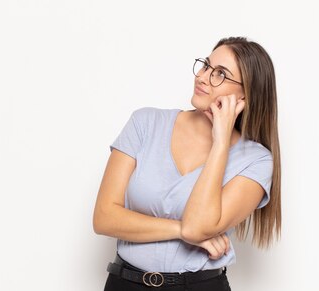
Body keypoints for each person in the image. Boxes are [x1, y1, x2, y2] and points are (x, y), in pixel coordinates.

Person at [93, 36, 281, 291]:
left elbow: (198, 226)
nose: (203, 77)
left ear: (245, 96)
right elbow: (104, 218)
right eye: (206, 65)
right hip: (125, 283)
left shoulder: (256, 160)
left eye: (220, 74)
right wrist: (179, 229)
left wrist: (220, 143)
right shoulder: (146, 123)